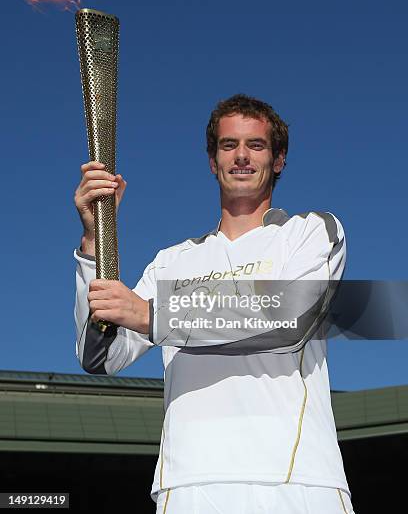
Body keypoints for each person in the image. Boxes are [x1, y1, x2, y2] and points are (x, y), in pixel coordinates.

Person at [73, 94, 355, 513]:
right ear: (212, 161)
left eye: (256, 145)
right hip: (189, 484)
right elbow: (101, 356)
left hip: (297, 480)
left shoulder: (310, 232)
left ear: (278, 161)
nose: (241, 156)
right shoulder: (171, 262)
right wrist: (97, 242)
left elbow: (289, 317)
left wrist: (152, 314)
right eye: (228, 145)